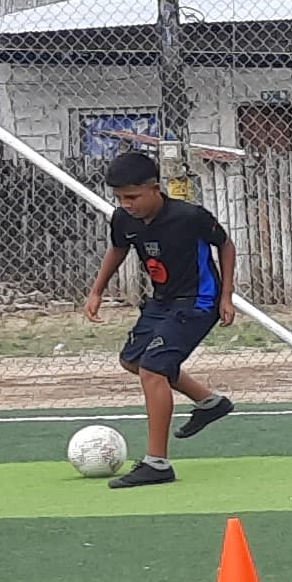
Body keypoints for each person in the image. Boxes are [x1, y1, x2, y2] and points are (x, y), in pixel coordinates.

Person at [77, 149, 237, 487]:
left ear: (155, 188)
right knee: (133, 361)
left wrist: (226, 295)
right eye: (119, 198)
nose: (126, 204)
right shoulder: (123, 219)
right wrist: (96, 291)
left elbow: (225, 245)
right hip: (161, 301)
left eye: (132, 197)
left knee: (153, 370)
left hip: (198, 302)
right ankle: (210, 403)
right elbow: (118, 248)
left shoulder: (189, 216)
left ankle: (157, 463)